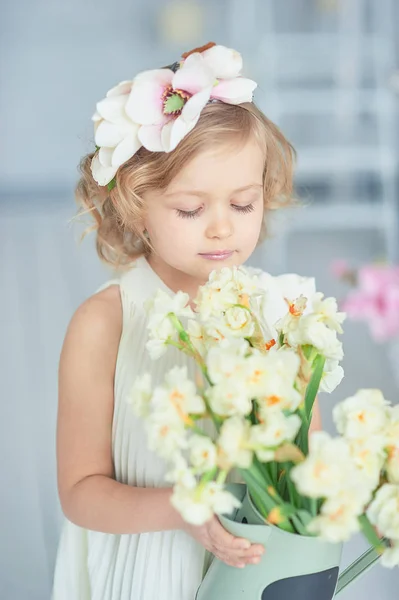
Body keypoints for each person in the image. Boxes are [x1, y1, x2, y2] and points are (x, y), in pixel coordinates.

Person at [52, 42, 322, 600]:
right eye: (191, 210)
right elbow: (80, 492)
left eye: (243, 204)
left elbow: (308, 459)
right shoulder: (104, 325)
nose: (221, 229)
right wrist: (184, 508)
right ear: (135, 206)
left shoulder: (282, 314)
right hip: (148, 573)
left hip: (255, 572)